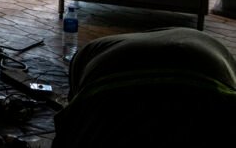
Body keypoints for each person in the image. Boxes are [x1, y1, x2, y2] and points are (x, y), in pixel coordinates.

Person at [53, 27, 236, 147]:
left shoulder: (90, 76)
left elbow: (67, 129)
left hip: (205, 67)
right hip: (207, 60)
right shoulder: (98, 56)